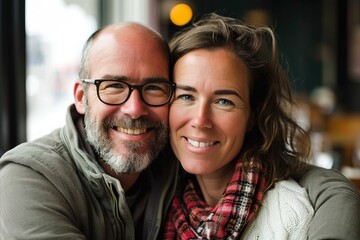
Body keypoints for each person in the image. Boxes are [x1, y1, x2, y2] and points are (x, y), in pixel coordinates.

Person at [162, 13, 360, 239]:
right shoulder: (158, 202)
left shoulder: (290, 216)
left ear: (253, 116)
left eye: (224, 101)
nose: (200, 120)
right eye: (186, 96)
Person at [0, 23, 177, 239]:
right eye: (114, 86)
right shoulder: (26, 178)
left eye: (154, 88)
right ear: (81, 98)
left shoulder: (182, 165)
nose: (135, 109)